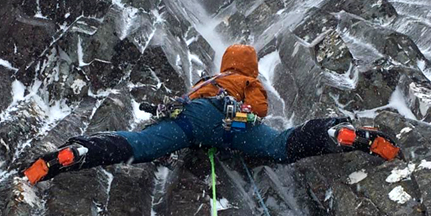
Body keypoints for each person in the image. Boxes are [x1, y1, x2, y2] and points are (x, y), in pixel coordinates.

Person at [22, 44, 400, 184]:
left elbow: (182, 102)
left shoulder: (209, 79)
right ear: (250, 66)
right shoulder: (248, 81)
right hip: (236, 124)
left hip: (194, 119)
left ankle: (81, 153)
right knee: (284, 146)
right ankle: (336, 135)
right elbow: (262, 109)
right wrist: (248, 109)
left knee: (140, 144)